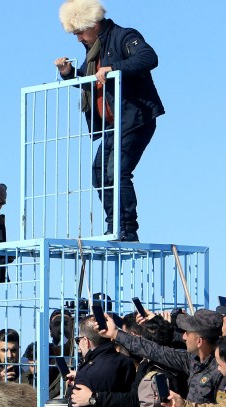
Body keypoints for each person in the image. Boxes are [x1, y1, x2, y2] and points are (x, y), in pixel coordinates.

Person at [55, 0, 164, 241]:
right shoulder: (94, 49)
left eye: (79, 32)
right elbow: (89, 80)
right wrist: (68, 74)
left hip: (135, 118)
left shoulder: (124, 36)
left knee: (116, 172)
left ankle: (126, 229)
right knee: (99, 174)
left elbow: (149, 57)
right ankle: (115, 226)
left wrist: (113, 67)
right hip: (115, 124)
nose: (78, 38)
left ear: (92, 24)